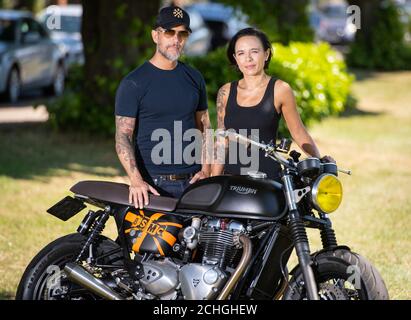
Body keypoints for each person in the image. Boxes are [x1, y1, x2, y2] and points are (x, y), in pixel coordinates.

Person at [115, 6, 211, 209]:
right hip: (154, 185)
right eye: (169, 32)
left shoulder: (194, 78)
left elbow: (205, 129)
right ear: (155, 35)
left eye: (182, 33)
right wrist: (136, 180)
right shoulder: (134, 83)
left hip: (194, 182)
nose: (176, 40)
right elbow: (122, 136)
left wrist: (206, 170)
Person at [211, 28, 334, 180]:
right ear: (235, 58)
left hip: (267, 180)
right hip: (231, 180)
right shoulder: (226, 91)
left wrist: (319, 161)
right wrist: (213, 179)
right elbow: (222, 140)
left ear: (266, 54)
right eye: (241, 53)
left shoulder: (280, 89)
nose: (248, 58)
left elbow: (298, 132)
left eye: (254, 51)